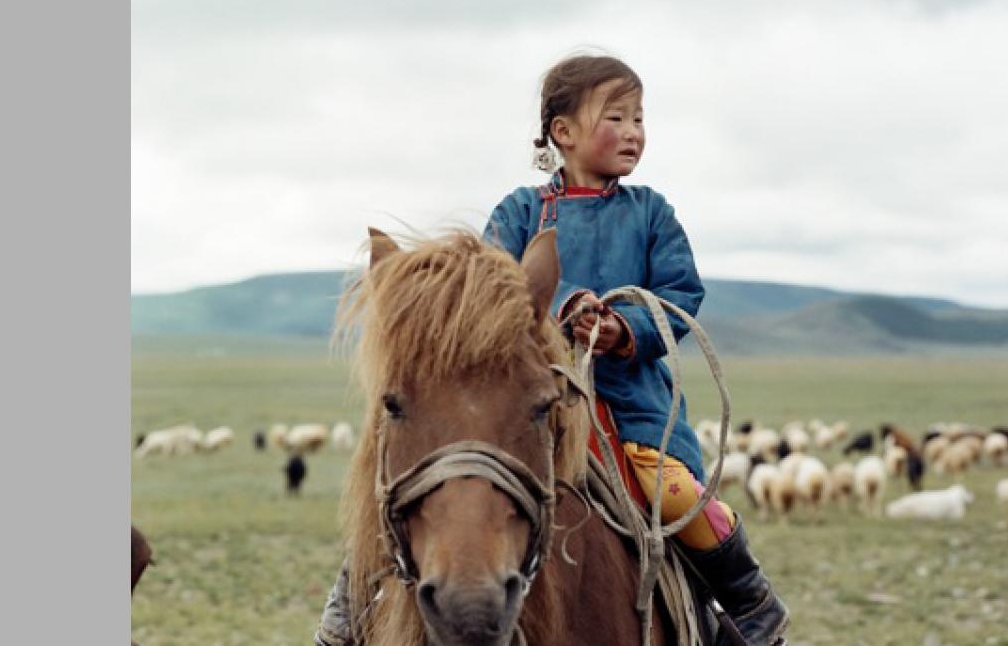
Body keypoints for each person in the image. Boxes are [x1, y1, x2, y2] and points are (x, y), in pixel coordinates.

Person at [316, 54, 788, 646]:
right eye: (616, 116)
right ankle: (351, 603)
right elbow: (488, 285)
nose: (635, 131)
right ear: (562, 133)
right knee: (416, 485)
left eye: (640, 118)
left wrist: (624, 326)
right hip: (525, 396)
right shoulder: (520, 211)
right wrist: (560, 307)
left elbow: (681, 292)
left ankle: (749, 603)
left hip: (629, 405)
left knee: (675, 494)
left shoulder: (651, 214)